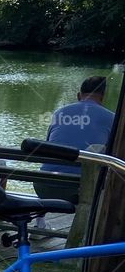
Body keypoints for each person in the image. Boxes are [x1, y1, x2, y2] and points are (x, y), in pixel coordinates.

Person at [34, 75, 115, 203]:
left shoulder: (58, 113)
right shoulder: (112, 118)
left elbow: (50, 144)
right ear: (102, 97)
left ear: (78, 95)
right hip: (78, 190)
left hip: (43, 186)